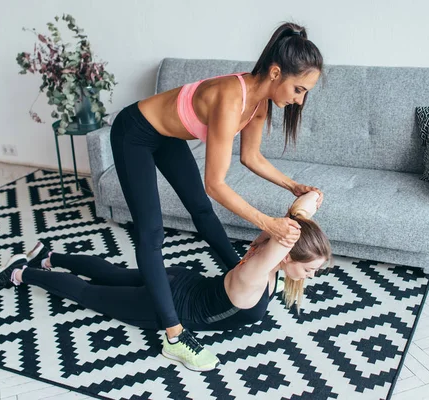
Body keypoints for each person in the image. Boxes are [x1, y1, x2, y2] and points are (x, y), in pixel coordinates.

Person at [108, 21, 324, 370]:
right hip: (134, 132)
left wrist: (293, 186)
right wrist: (268, 223)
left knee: (202, 212)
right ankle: (175, 335)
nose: (299, 99)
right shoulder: (230, 97)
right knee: (151, 232)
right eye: (299, 89)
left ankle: (235, 271)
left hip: (166, 136)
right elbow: (216, 184)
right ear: (275, 72)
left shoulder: (260, 103)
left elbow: (251, 157)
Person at [0, 192, 332, 372]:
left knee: (112, 273)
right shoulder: (257, 275)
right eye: (309, 269)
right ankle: (22, 271)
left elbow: (293, 221)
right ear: (285, 255)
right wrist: (304, 208)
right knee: (90, 293)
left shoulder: (263, 252)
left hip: (181, 279)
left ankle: (48, 256)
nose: (310, 276)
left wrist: (307, 204)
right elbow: (288, 234)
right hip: (168, 306)